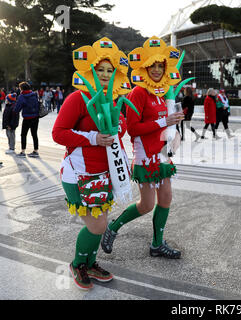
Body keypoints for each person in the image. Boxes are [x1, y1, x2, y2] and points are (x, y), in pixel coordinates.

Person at [52, 37, 133, 290]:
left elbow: (120, 131)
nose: (106, 75)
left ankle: (91, 263)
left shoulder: (116, 98)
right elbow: (58, 133)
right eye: (101, 70)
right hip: (79, 173)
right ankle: (78, 264)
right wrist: (93, 137)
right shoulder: (77, 98)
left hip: (106, 172)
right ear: (91, 71)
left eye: (110, 71)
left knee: (101, 221)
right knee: (97, 225)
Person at [101, 36, 184, 259]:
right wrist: (164, 122)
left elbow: (165, 125)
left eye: (161, 66)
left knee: (165, 199)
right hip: (145, 156)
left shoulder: (163, 92)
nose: (156, 70)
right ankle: (112, 227)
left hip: (164, 154)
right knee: (147, 205)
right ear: (145, 68)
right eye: (152, 66)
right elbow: (133, 128)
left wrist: (174, 123)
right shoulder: (138, 92)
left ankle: (157, 244)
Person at [14, 82, 40, 158]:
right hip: (35, 117)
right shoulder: (34, 94)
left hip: (27, 118)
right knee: (34, 134)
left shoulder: (22, 96)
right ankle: (35, 150)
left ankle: (23, 151)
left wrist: (14, 110)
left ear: (21, 88)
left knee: (23, 134)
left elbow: (17, 109)